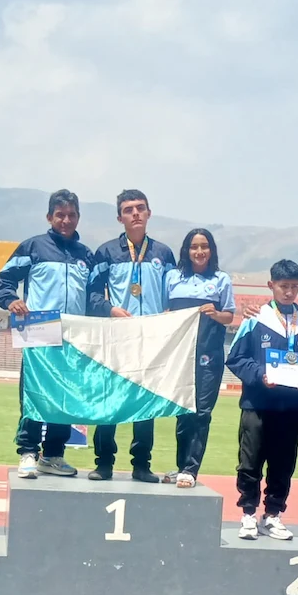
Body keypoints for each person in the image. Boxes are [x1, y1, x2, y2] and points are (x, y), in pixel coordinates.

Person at [0, 190, 93, 479]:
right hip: (39, 330)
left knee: (64, 396)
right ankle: (28, 451)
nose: (66, 220)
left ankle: (53, 454)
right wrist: (10, 300)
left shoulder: (85, 254)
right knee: (35, 393)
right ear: (49, 217)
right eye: (60, 215)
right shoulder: (33, 247)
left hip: (73, 335)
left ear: (78, 217)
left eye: (71, 215)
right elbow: (5, 279)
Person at [87, 189, 176, 482]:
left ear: (149, 213)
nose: (135, 213)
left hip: (150, 340)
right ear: (119, 217)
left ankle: (141, 465)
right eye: (129, 209)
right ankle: (104, 463)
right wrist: (111, 309)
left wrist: (167, 314)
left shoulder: (163, 253)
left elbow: (173, 295)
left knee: (144, 405)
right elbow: (92, 295)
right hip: (116, 337)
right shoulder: (106, 252)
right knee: (109, 401)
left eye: (140, 208)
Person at [226, 260, 298, 541]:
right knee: (250, 462)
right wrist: (260, 375)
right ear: (271, 286)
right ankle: (248, 514)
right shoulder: (255, 319)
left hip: (292, 409)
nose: (289, 292)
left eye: (294, 287)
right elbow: (236, 358)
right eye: (283, 286)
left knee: (283, 465)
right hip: (257, 405)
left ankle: (273, 514)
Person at [161, 229, 235, 487]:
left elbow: (229, 317)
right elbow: (165, 312)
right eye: (194, 246)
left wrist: (215, 313)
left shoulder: (221, 279)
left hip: (209, 356)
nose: (200, 251)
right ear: (187, 250)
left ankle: (191, 470)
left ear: (211, 250)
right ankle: (181, 465)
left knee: (202, 413)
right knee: (182, 412)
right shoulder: (172, 278)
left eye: (204, 246)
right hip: (181, 356)